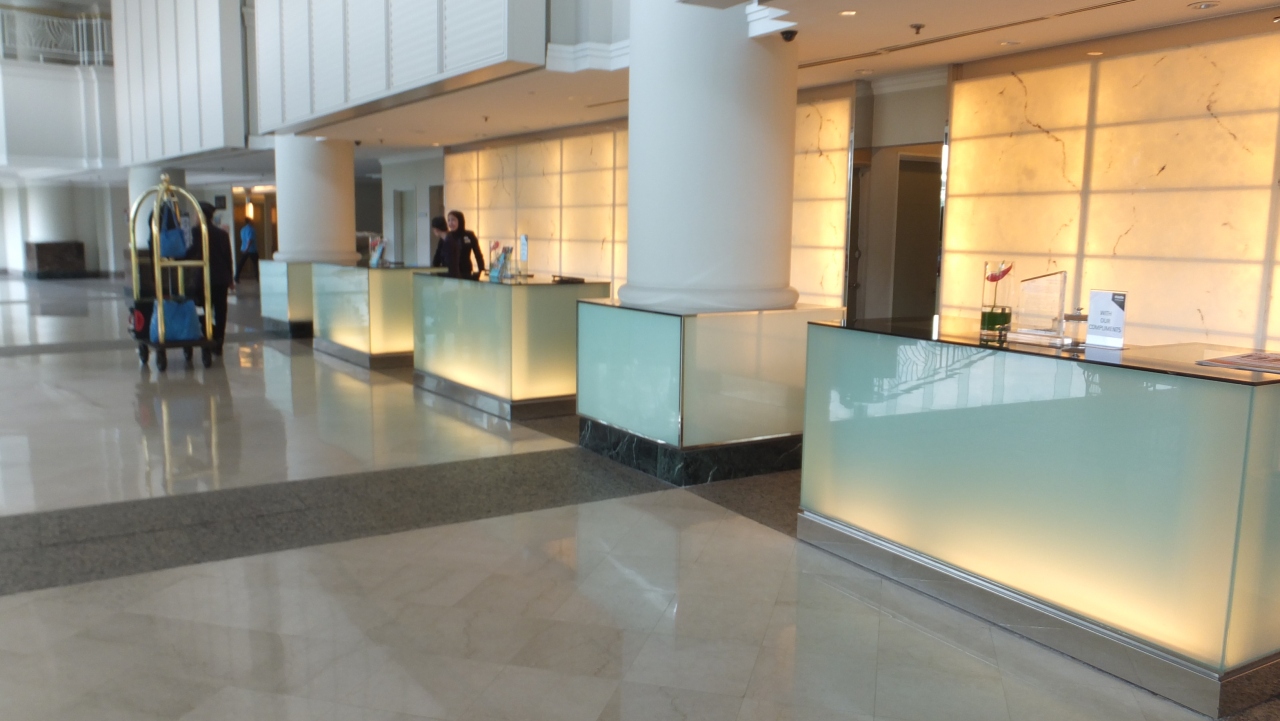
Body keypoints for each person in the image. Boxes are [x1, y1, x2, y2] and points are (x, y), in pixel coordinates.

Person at [183, 203, 235, 356]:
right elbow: (228, 258)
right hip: (221, 279)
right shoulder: (222, 234)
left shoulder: (196, 232)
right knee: (221, 311)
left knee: (204, 311)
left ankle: (209, 337)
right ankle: (219, 343)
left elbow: (192, 252)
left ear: (200, 215)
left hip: (203, 279)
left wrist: (177, 257)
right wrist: (230, 279)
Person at [436, 210, 485, 279]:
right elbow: (437, 256)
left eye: (453, 220)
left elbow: (478, 254)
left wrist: (481, 271)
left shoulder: (469, 235)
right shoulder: (446, 236)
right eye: (448, 220)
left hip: (466, 273)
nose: (450, 223)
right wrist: (435, 272)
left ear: (460, 221)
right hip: (449, 274)